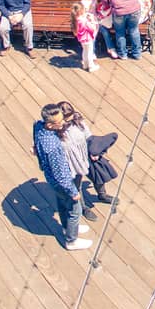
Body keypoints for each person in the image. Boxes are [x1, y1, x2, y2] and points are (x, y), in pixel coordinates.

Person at [33, 103, 92, 252]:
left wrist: (37, 151)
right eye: (60, 122)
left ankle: (68, 228)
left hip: (50, 179)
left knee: (61, 203)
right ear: (50, 125)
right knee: (75, 210)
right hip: (61, 182)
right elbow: (61, 176)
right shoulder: (52, 146)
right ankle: (71, 240)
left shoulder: (38, 126)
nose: (63, 123)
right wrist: (74, 192)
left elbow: (35, 130)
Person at [54, 105, 104, 221]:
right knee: (77, 186)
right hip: (70, 162)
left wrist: (94, 151)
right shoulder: (55, 129)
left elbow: (88, 135)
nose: (69, 120)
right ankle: (84, 208)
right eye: (67, 118)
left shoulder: (78, 121)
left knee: (99, 174)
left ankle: (102, 195)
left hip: (85, 155)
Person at [71, 0, 100, 72]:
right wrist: (92, 21)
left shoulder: (76, 20)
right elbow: (91, 28)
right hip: (88, 38)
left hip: (81, 39)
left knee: (85, 51)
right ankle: (91, 66)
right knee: (90, 52)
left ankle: (85, 64)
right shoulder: (84, 20)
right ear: (81, 11)